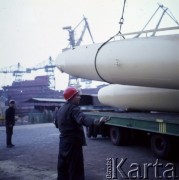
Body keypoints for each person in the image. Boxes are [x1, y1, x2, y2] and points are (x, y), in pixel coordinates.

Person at [57, 87, 108, 180]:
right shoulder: (73, 108)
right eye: (78, 96)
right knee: (76, 169)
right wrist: (96, 121)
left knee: (63, 169)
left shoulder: (60, 109)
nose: (80, 97)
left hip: (63, 143)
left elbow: (56, 124)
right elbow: (82, 118)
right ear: (71, 97)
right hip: (73, 144)